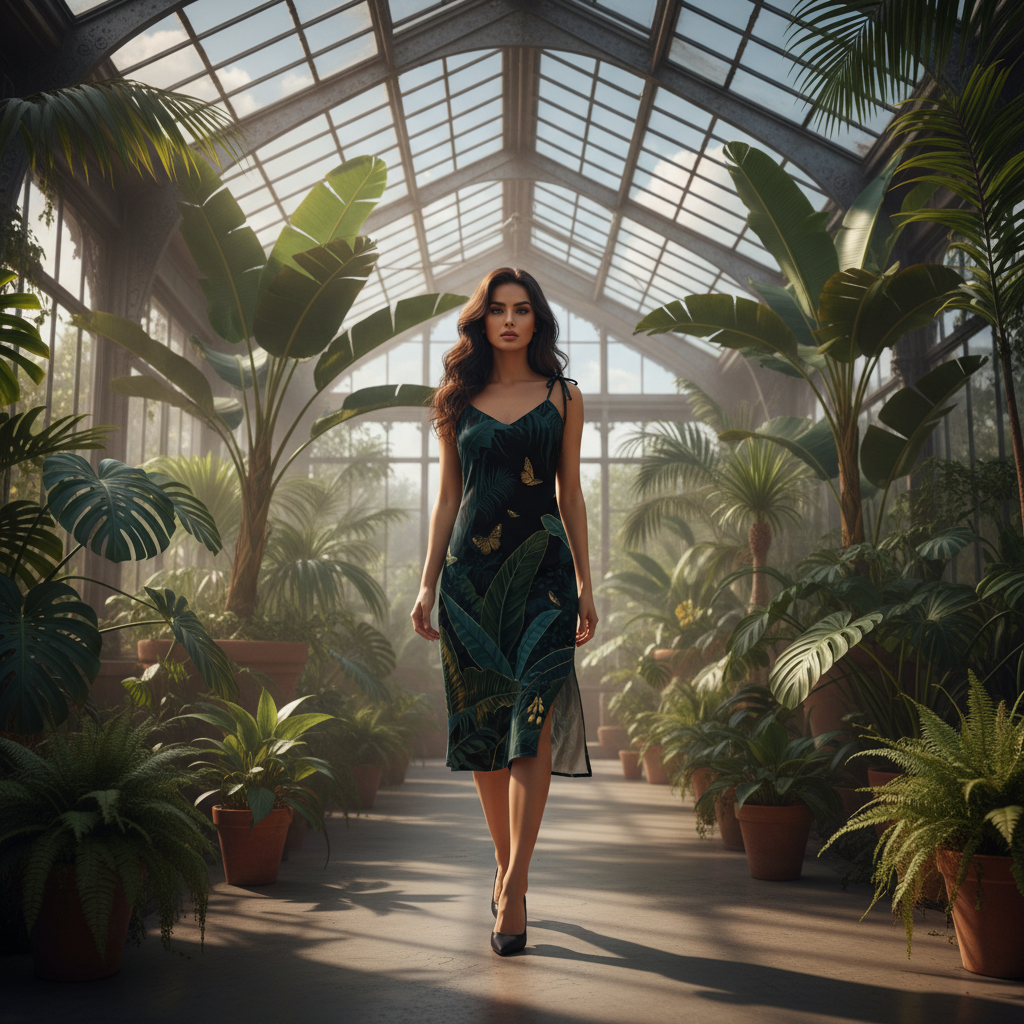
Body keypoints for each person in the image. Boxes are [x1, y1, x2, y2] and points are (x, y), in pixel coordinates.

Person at [411, 267, 598, 957]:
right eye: (498, 310)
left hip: (545, 576)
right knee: (488, 733)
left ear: (537, 321)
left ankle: (514, 886)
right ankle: (507, 871)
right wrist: (427, 583)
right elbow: (445, 500)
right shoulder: (456, 400)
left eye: (523, 310)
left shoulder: (564, 396)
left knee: (532, 726)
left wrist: (586, 578)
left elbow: (571, 494)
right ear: (481, 321)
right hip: (470, 579)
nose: (511, 320)